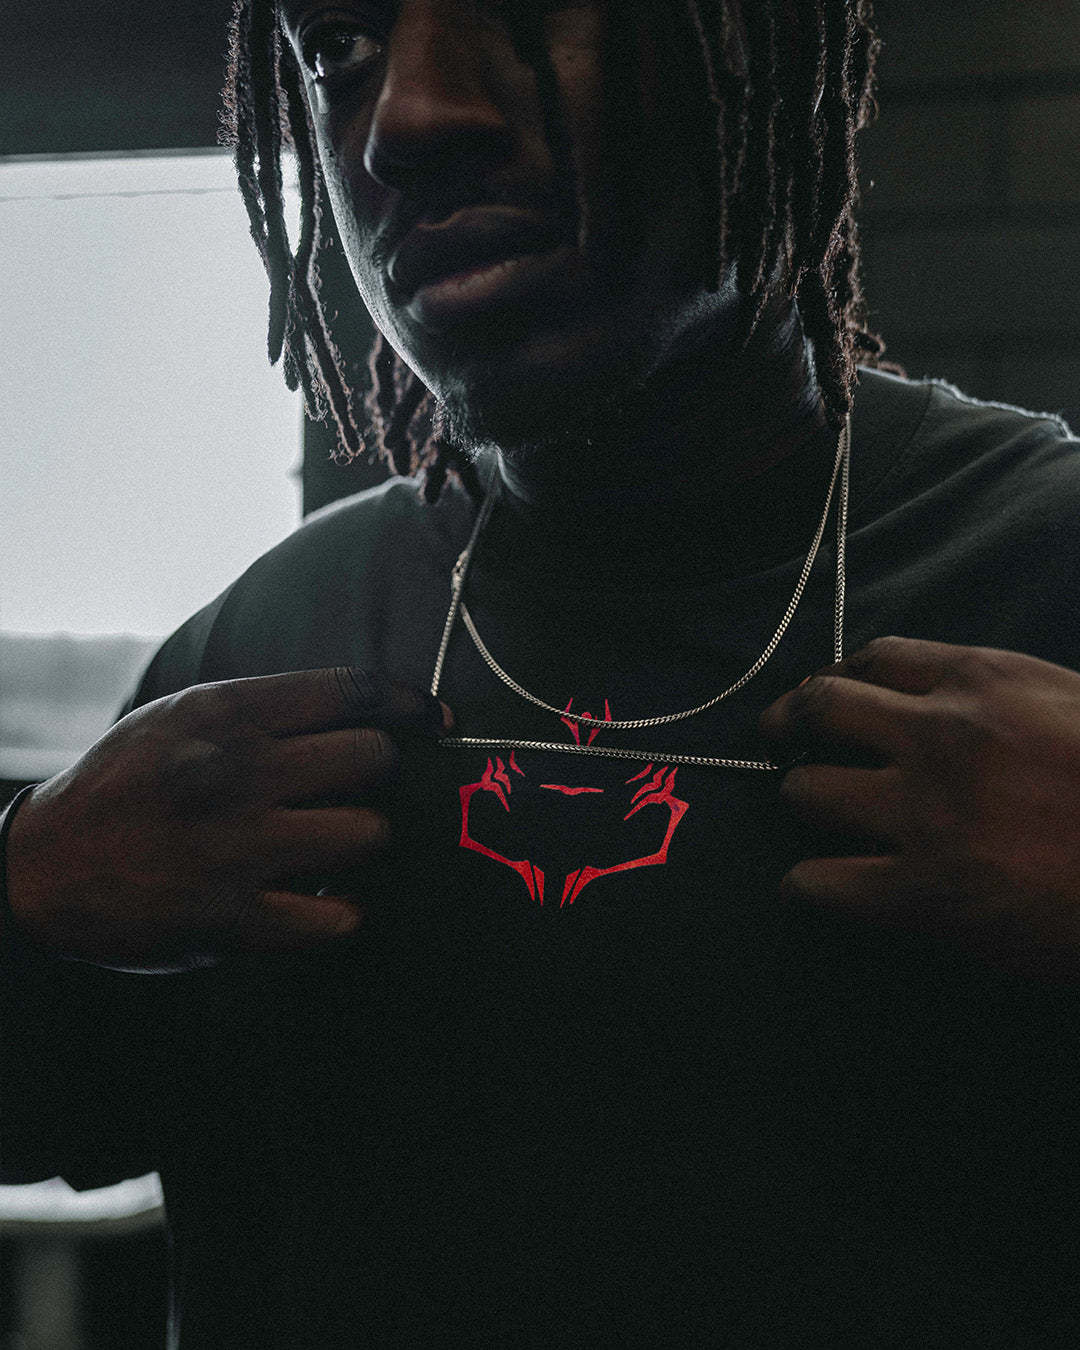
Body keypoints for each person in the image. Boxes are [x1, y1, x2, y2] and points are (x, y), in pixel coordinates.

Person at [4, 1, 1080, 1343]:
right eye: (338, 47)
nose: (407, 118)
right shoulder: (274, 639)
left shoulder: (1043, 569)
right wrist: (25, 886)